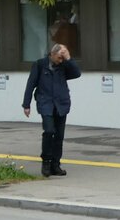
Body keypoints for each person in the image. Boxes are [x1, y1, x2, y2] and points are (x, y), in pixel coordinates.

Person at [22, 43, 80, 177]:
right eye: (59, 57)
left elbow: (77, 73)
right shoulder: (40, 65)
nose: (61, 60)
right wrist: (26, 104)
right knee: (49, 131)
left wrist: (69, 58)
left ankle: (56, 164)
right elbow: (30, 84)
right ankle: (46, 161)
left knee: (59, 136)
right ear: (52, 54)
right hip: (46, 103)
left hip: (61, 104)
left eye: (62, 58)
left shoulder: (64, 65)